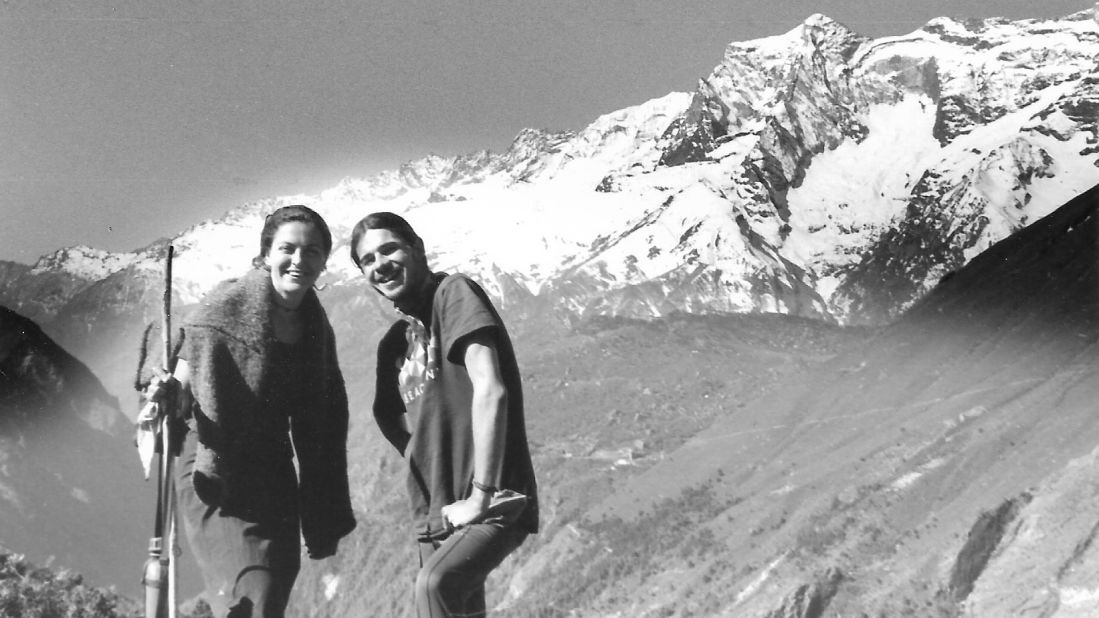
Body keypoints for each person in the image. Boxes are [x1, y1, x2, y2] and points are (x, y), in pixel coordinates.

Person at [145, 205, 356, 617]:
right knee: (249, 594)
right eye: (288, 248)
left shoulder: (315, 327)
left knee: (273, 589)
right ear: (266, 253)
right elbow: (187, 385)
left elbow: (323, 420)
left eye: (312, 251)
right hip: (215, 465)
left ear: (324, 260)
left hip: (272, 472)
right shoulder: (223, 311)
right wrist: (169, 392)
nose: (299, 260)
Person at [351, 211, 538, 617]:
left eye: (389, 249)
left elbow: (491, 388)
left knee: (436, 586)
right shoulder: (395, 343)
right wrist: (422, 452)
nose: (380, 264)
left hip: (493, 498)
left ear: (417, 248)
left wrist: (480, 494)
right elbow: (386, 414)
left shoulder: (453, 295)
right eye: (368, 260)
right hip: (436, 509)